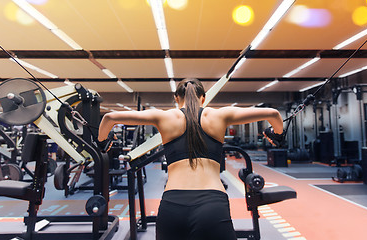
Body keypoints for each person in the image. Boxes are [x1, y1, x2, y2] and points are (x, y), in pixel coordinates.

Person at [98, 78, 284, 240]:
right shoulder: (219, 115)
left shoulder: (164, 117)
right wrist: (276, 134)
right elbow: (273, 114)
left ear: (176, 99)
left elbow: (109, 117)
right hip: (213, 206)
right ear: (203, 98)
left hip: (172, 206)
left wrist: (103, 143)